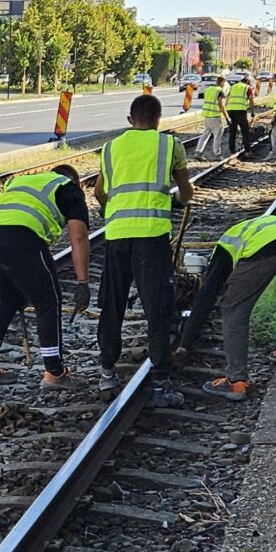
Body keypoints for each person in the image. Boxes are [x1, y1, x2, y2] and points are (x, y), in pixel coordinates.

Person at [177, 208, 276, 399]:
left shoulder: (225, 247)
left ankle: (236, 382)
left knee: (233, 306)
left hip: (267, 250)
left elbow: (207, 295)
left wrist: (184, 344)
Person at [95, 93, 192, 384]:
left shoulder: (110, 148)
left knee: (112, 303)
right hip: (152, 236)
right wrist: (176, 201)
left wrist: (113, 209)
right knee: (158, 305)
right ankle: (160, 375)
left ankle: (107, 370)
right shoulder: (169, 144)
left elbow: (99, 193)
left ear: (130, 120)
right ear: (158, 120)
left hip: (117, 236)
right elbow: (185, 191)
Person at [0, 161, 93, 386]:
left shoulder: (24, 181)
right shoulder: (69, 188)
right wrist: (82, 282)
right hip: (22, 237)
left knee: (5, 300)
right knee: (48, 302)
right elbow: (78, 238)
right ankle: (55, 373)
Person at [195, 78, 227, 158]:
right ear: (222, 82)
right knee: (218, 134)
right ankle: (217, 154)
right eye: (224, 83)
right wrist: (227, 117)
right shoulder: (219, 91)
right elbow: (221, 105)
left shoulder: (208, 89)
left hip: (207, 115)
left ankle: (198, 152)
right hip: (215, 116)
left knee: (205, 134)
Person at [224, 70, 253, 156]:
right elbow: (251, 100)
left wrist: (226, 111)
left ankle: (232, 151)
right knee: (245, 131)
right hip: (240, 111)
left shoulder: (233, 87)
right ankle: (247, 150)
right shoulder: (247, 88)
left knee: (232, 131)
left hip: (230, 110)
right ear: (248, 82)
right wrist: (252, 112)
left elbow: (228, 98)